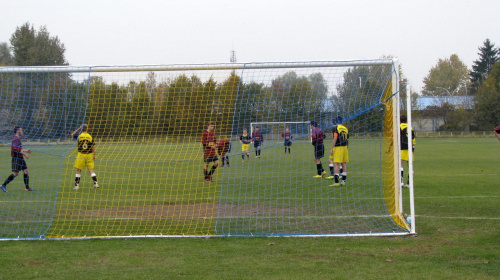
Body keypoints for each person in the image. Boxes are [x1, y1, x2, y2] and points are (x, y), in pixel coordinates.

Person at [0, 126, 33, 192]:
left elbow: (19, 149)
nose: (22, 131)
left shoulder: (17, 138)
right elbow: (15, 149)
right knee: (15, 174)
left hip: (20, 157)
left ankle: (27, 187)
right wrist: (25, 154)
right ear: (18, 131)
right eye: (21, 130)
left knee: (26, 171)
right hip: (17, 158)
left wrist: (26, 151)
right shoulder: (15, 139)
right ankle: (3, 185)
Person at [71, 124, 99, 190]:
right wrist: (94, 155)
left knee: (78, 170)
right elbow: (92, 147)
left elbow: (72, 134)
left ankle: (76, 186)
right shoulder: (90, 136)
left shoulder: (79, 136)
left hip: (81, 154)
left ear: (81, 129)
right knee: (91, 170)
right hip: (89, 155)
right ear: (87, 129)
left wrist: (78, 129)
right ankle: (96, 184)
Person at [329, 117, 349, 187]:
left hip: (338, 147)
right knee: (343, 163)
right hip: (345, 147)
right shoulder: (345, 128)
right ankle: (343, 181)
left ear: (336, 121)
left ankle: (336, 182)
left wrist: (332, 148)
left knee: (336, 163)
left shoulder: (336, 128)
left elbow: (335, 138)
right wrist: (347, 147)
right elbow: (347, 139)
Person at [400, 115, 415, 188]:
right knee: (410, 165)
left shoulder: (399, 127)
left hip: (402, 147)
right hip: (410, 148)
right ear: (406, 120)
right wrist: (413, 148)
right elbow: (413, 138)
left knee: (400, 164)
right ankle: (409, 183)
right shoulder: (410, 127)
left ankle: (401, 182)